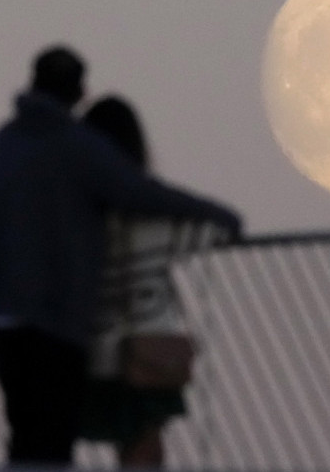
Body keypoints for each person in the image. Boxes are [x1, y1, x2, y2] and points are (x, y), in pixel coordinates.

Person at [0, 45, 241, 466]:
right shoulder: (73, 145)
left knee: (25, 438)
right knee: (53, 437)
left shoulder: (4, 142)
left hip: (4, 312)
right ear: (78, 89)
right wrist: (217, 215)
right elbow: (136, 191)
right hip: (56, 318)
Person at [79, 95, 226, 467]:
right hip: (151, 347)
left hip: (91, 349)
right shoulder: (157, 215)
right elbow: (213, 232)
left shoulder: (75, 215)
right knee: (145, 447)